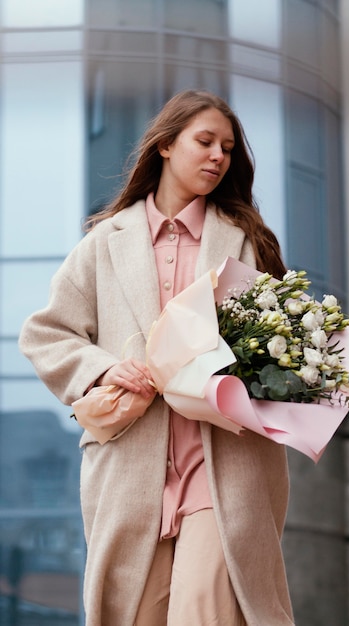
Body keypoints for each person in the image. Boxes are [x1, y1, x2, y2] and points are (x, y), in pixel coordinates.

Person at [19, 89, 295, 626]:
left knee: (205, 613)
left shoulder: (245, 242)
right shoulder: (104, 243)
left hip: (223, 464)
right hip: (132, 466)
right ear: (166, 145)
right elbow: (45, 333)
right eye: (205, 142)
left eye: (228, 149)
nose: (219, 156)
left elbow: (278, 350)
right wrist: (101, 367)